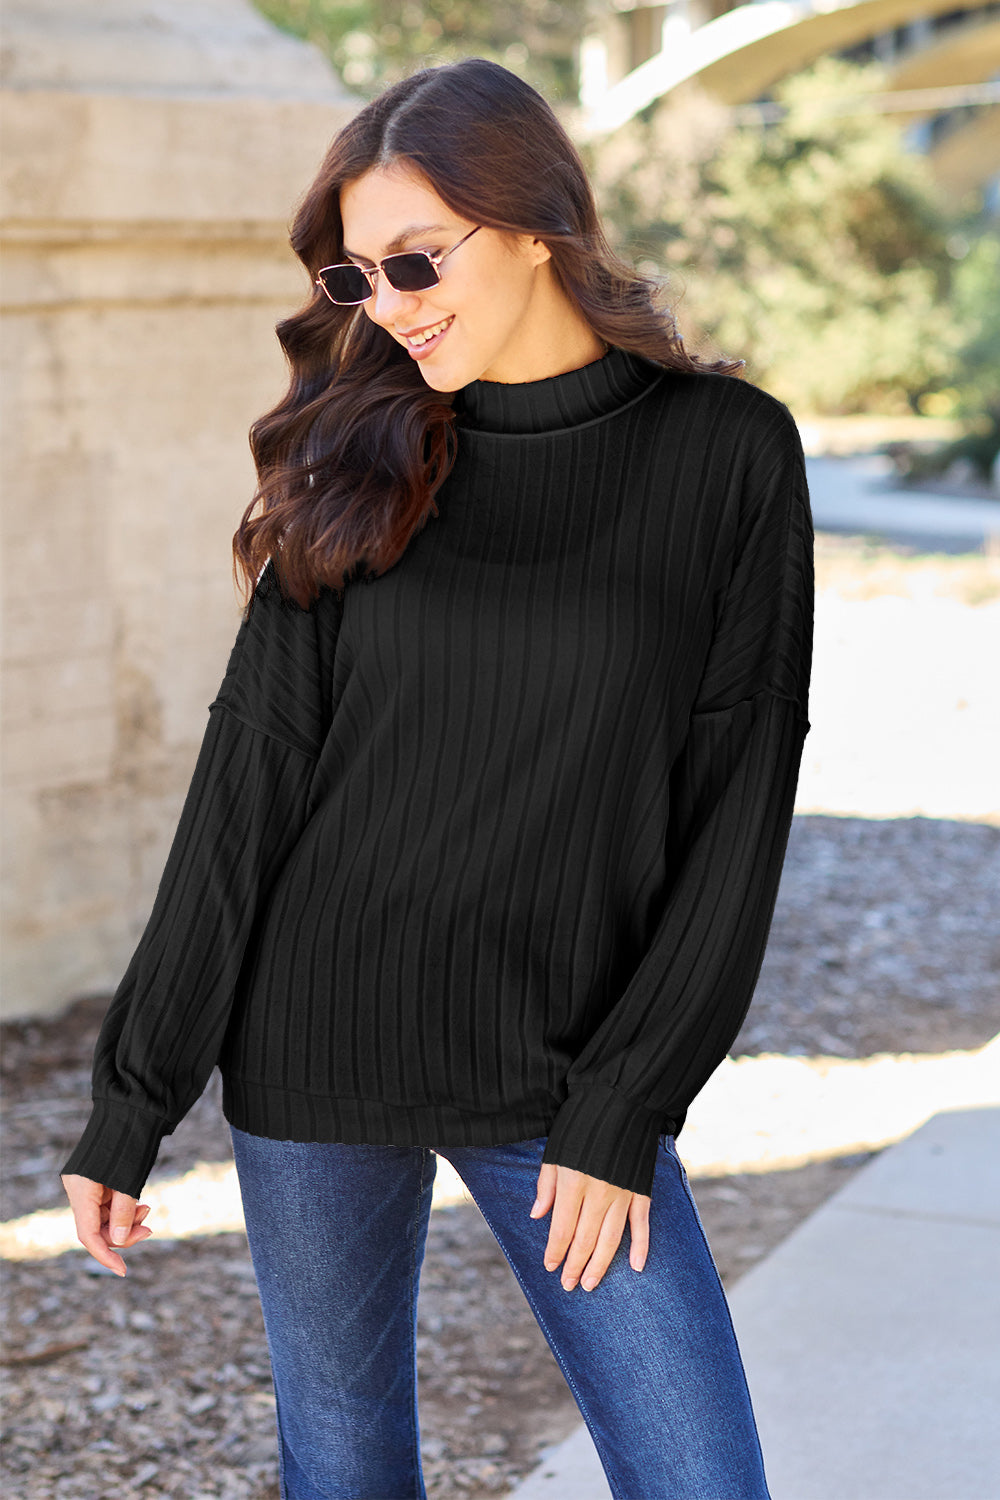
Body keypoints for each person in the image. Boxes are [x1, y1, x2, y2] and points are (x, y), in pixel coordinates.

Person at [62, 57, 813, 1500]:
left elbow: (739, 802)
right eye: (357, 279)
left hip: (566, 1058)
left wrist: (627, 1102)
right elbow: (250, 787)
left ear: (536, 223)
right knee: (344, 1476)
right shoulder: (356, 453)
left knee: (700, 1478)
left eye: (416, 260)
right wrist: (132, 1097)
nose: (392, 305)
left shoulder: (729, 455)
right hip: (314, 1041)